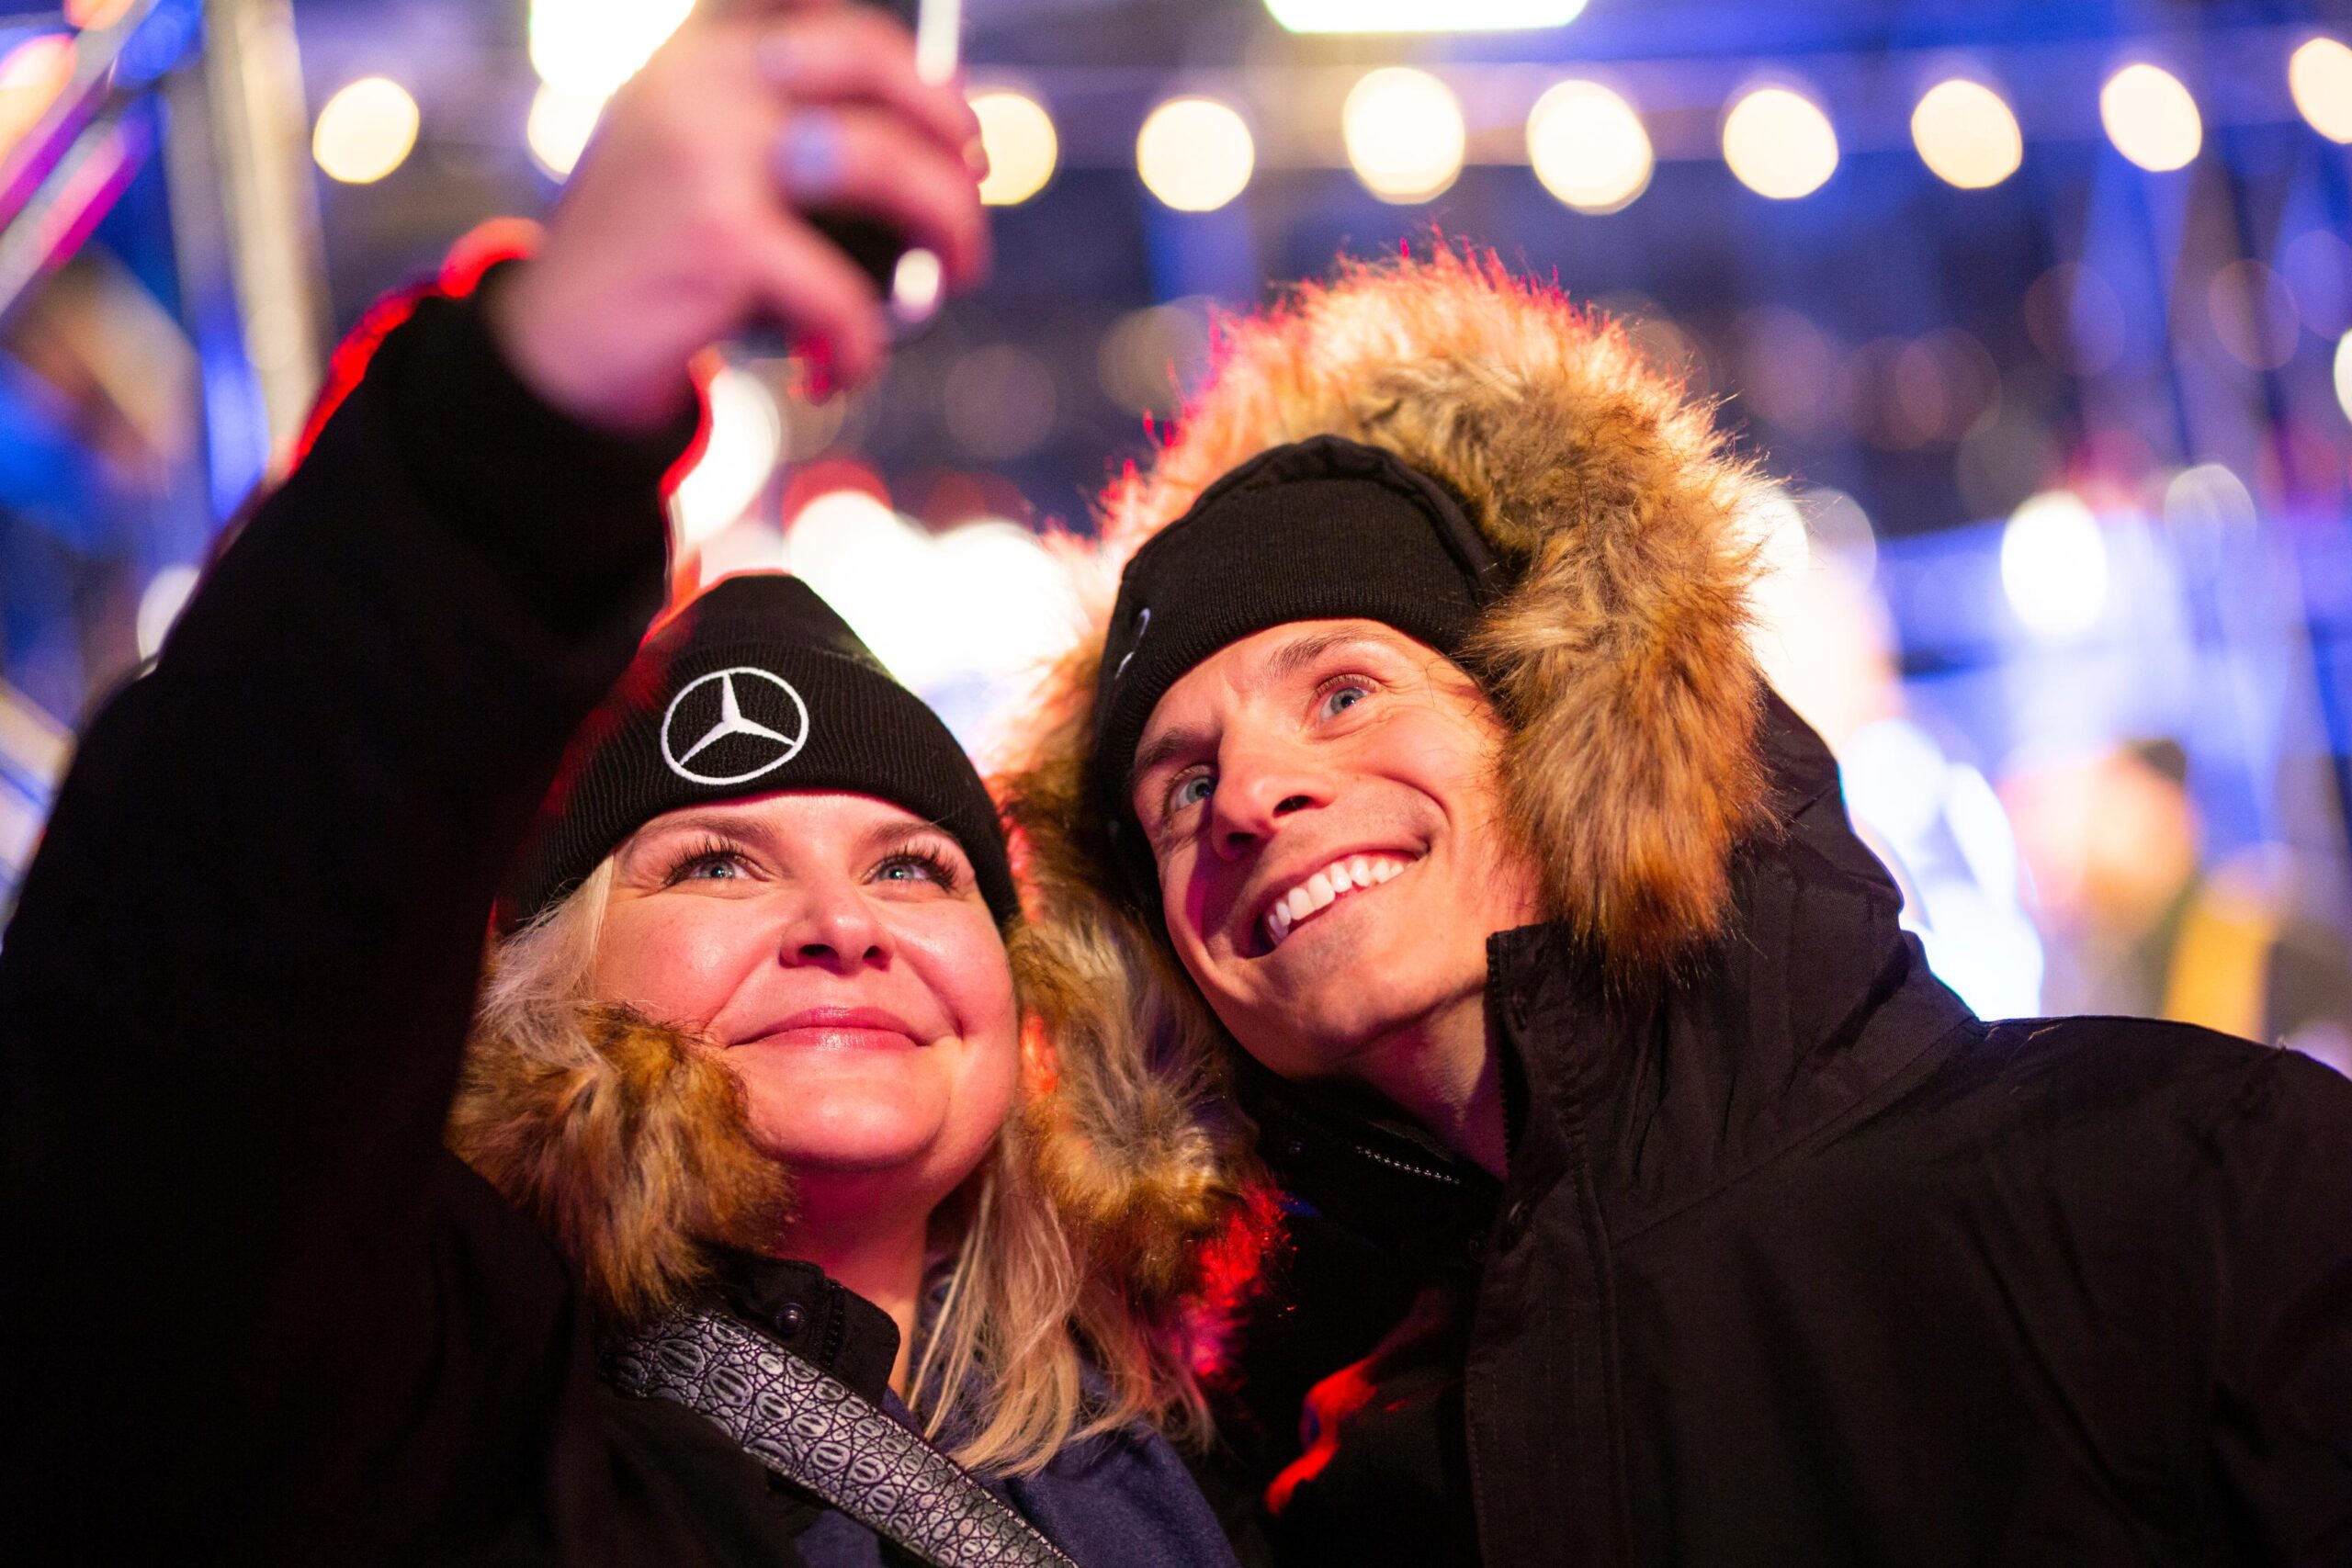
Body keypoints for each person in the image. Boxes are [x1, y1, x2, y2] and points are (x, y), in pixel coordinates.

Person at [0, 2, 1238, 1561]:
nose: (842, 926)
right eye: (717, 862)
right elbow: (195, 1036)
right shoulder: (430, 1422)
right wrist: (527, 416)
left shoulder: (1182, 1442)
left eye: (917, 866)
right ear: (550, 992)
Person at [1001, 247, 2352, 1566]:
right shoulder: (1280, 1475)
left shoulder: (2192, 1183)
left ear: (1559, 721)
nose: (1247, 797)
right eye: (1179, 788)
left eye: (1344, 693)